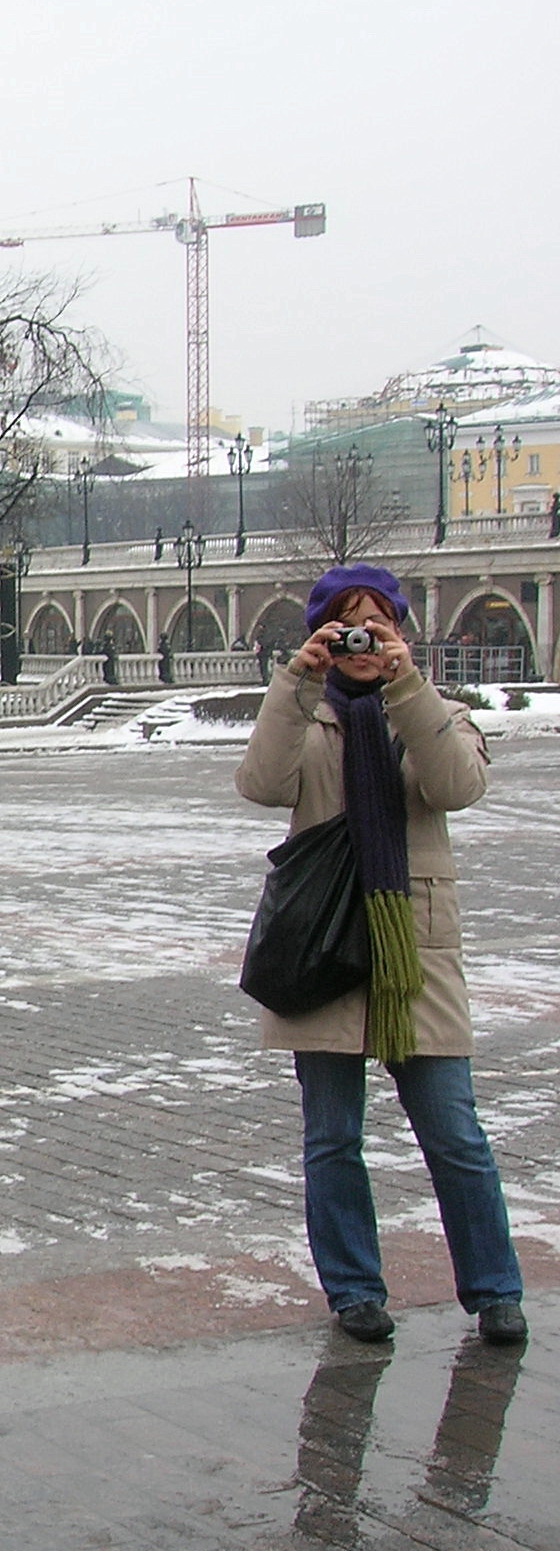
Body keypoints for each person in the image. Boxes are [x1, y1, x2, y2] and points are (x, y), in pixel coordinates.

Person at [236, 562, 526, 1348]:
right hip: (325, 948)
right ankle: (355, 1291)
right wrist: (296, 683)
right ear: (322, 635)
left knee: (455, 1134)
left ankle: (496, 1290)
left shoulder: (439, 713)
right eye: (347, 624)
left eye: (379, 623)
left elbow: (456, 787)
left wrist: (408, 689)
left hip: (413, 954)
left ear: (401, 631)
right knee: (333, 1139)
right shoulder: (309, 718)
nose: (364, 639)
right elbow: (260, 783)